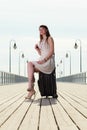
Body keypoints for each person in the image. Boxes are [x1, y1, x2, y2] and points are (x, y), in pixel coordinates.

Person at [25, 25, 55, 99]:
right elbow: (42, 54)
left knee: (30, 64)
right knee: (30, 69)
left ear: (46, 30)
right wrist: (37, 49)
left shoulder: (49, 38)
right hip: (42, 61)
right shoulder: (41, 41)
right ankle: (31, 90)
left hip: (48, 62)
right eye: (39, 30)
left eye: (42, 29)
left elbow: (51, 52)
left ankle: (30, 87)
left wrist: (44, 60)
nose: (40, 31)